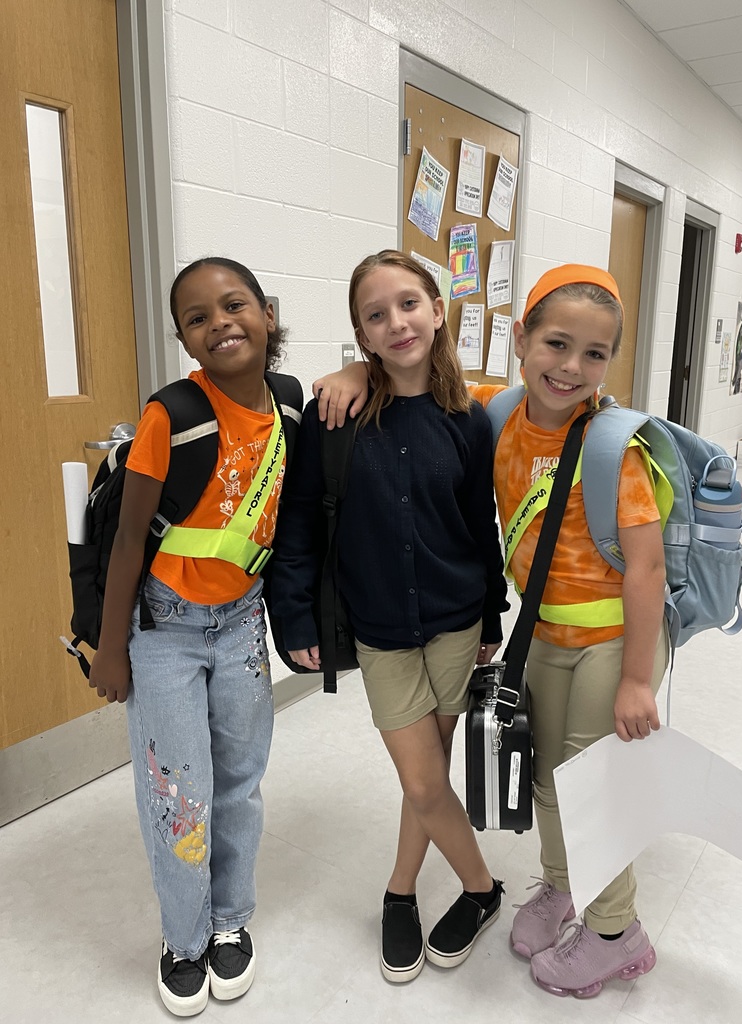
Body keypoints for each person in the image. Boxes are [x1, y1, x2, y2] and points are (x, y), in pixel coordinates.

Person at [314, 264, 669, 999]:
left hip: (610, 641)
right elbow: (406, 369)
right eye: (555, 345)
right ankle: (563, 887)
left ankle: (615, 933)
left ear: (611, 363)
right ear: (520, 342)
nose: (570, 368)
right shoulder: (495, 412)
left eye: (594, 355)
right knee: (545, 778)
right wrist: (353, 365)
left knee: (590, 786)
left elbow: (646, 570)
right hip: (540, 637)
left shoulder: (612, 446)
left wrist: (638, 678)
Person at [268, 250, 509, 985]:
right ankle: (482, 888)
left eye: (409, 304)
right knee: (427, 782)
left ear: (438, 311)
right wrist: (296, 622)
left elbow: (480, 525)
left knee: (423, 780)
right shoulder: (334, 416)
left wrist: (493, 616)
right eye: (376, 314)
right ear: (362, 335)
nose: (396, 322)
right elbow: (300, 522)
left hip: (456, 619)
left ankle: (399, 891)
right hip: (379, 630)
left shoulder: (469, 420)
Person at [88, 257, 299, 1016]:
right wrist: (111, 649)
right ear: (183, 337)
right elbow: (125, 543)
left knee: (240, 781)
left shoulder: (290, 403)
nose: (221, 324)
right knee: (181, 793)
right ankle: (184, 940)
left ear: (267, 314)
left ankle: (230, 922)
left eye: (235, 305)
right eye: (198, 318)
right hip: (164, 631)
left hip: (242, 623)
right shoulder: (170, 415)